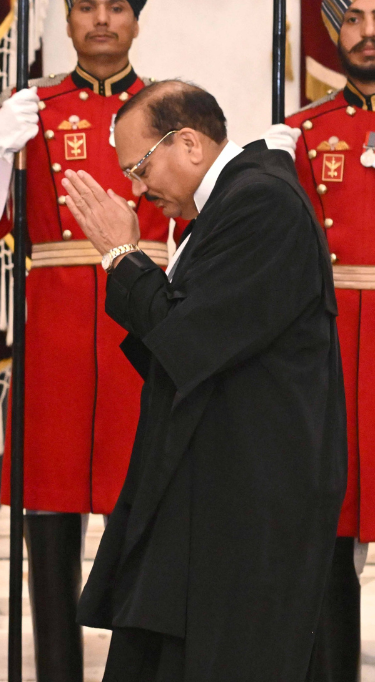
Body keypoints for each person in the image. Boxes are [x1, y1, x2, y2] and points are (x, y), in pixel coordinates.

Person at [62, 79, 346, 680]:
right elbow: (181, 347)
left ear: (188, 143)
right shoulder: (229, 203)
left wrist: (122, 256)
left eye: (140, 166)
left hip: (248, 498)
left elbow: (188, 341)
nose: (138, 189)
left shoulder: (261, 202)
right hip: (215, 485)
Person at [0, 1, 168, 678]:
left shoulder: (170, 107)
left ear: (137, 21)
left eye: (116, 7)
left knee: (147, 520)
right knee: (49, 519)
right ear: (66, 22)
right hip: (57, 339)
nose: (101, 20)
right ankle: (56, 669)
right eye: (85, 6)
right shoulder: (36, 106)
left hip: (147, 333)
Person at [276, 2, 375, 678]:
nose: (368, 32)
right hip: (333, 355)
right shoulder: (306, 134)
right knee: (328, 531)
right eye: (355, 18)